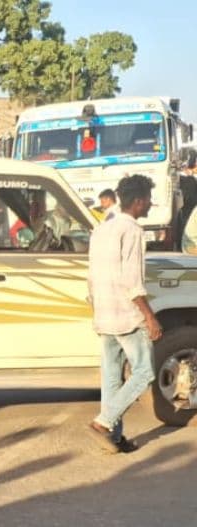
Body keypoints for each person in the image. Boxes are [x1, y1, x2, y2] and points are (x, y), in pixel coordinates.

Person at [85, 175, 163, 454]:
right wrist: (150, 317)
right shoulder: (132, 231)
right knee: (144, 373)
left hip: (104, 311)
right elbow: (132, 281)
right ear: (139, 201)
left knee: (111, 378)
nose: (151, 206)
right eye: (149, 201)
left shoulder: (102, 229)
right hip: (126, 314)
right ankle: (104, 423)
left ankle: (114, 437)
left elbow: (91, 276)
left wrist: (96, 307)